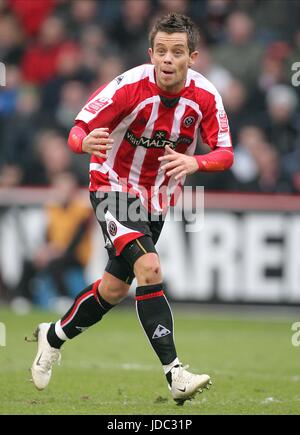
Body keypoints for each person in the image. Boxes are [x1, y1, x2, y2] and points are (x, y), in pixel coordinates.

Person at [28, 13, 234, 405]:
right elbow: (78, 128)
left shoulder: (206, 96)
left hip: (158, 197)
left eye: (177, 52)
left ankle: (51, 336)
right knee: (150, 267)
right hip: (112, 186)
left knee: (113, 289)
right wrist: (82, 143)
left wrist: (196, 162)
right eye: (160, 51)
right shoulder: (128, 86)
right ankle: (175, 373)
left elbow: (225, 153)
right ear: (150, 54)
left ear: (193, 56)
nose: (167, 59)